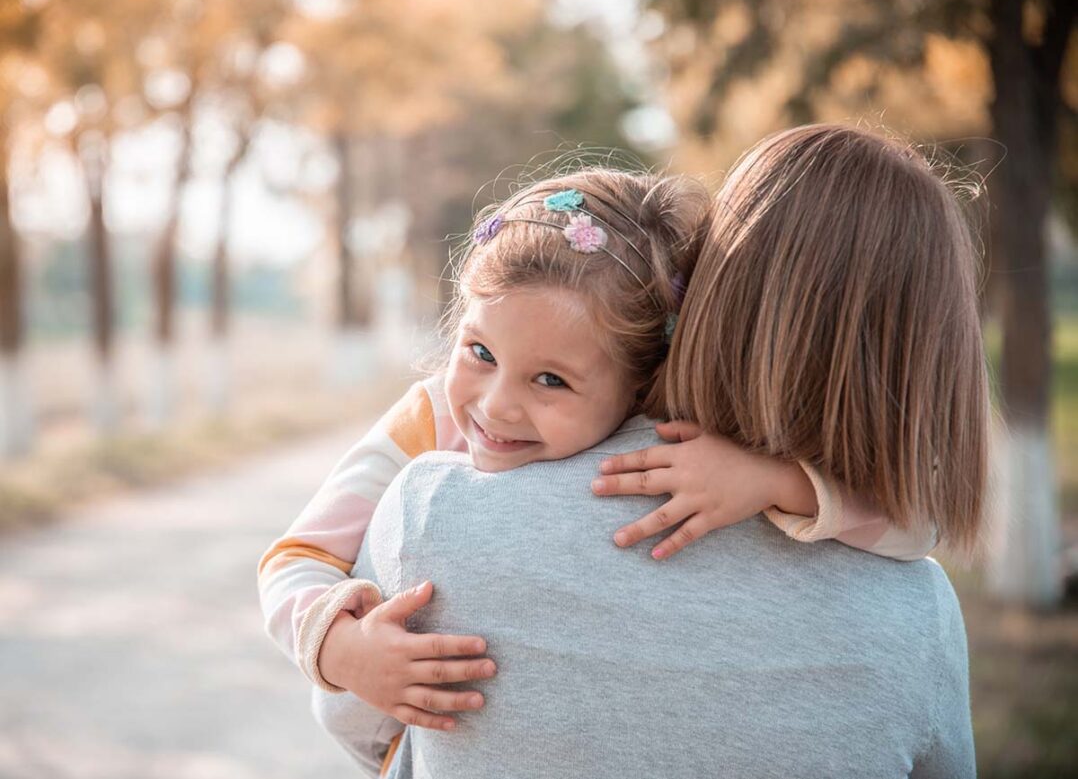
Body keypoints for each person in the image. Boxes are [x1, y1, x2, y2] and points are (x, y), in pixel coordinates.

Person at [317, 125, 985, 777]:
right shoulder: (916, 613)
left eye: (550, 378)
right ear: (932, 362)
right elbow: (923, 526)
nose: (496, 405)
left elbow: (359, 726)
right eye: (482, 354)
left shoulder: (434, 505)